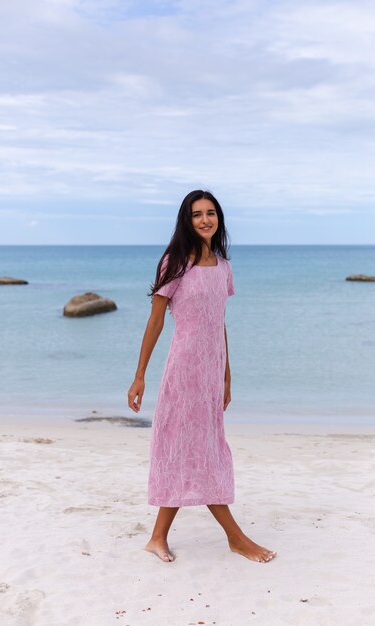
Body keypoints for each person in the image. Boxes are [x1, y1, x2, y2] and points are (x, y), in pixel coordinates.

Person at [127, 190, 277, 564]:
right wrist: (140, 375)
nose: (205, 220)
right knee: (194, 451)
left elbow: (218, 323)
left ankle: (157, 537)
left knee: (196, 450)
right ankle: (237, 538)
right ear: (186, 220)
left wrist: (227, 376)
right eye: (197, 215)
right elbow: (156, 320)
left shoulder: (224, 266)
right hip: (183, 371)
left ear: (219, 219)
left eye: (211, 213)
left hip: (211, 373)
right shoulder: (174, 263)